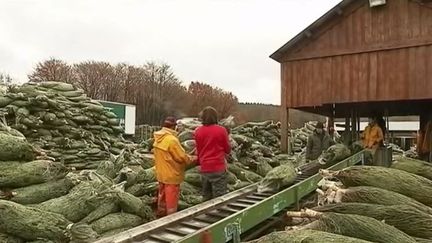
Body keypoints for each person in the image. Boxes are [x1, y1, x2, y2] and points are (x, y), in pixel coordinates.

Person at [153, 116, 194, 217]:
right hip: (172, 176)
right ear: (174, 126)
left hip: (161, 174)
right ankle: (171, 219)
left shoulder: (158, 138)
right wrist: (193, 158)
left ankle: (160, 216)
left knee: (162, 197)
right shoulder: (172, 140)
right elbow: (181, 158)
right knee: (171, 201)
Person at [194, 106, 231, 201]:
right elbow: (228, 149)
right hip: (218, 168)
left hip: (205, 168)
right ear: (215, 117)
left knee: (206, 198)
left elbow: (198, 150)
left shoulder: (198, 131)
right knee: (219, 199)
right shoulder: (221, 130)